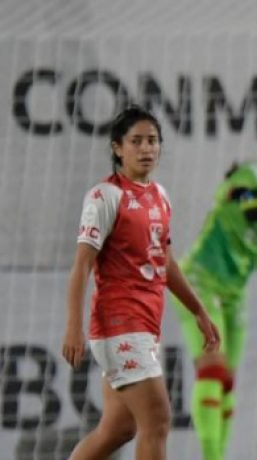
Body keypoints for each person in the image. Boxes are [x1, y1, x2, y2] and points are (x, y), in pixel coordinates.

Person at [62, 106, 221, 460]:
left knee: (118, 428)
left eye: (152, 141)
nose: (146, 148)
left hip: (144, 325)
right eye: (136, 141)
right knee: (158, 419)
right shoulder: (105, 197)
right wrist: (73, 327)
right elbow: (81, 267)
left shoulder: (160, 196)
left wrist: (198, 310)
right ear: (118, 148)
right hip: (120, 324)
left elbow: (164, 260)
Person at [173, 119, 257, 460]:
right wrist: (247, 196)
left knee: (228, 383)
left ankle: (219, 454)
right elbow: (227, 192)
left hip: (235, 292)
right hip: (200, 281)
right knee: (213, 370)